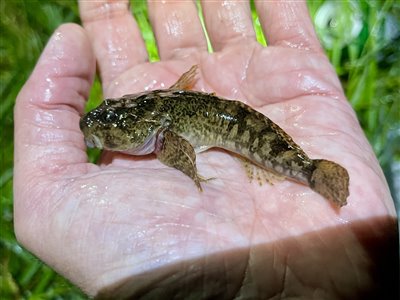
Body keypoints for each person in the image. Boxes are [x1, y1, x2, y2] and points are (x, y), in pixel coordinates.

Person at [13, 1, 397, 299]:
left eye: (111, 134)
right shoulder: (160, 114)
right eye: (105, 128)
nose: (103, 136)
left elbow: (181, 147)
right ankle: (308, 170)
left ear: (155, 133)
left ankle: (309, 172)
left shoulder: (165, 136)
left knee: (266, 149)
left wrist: (189, 170)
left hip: (243, 132)